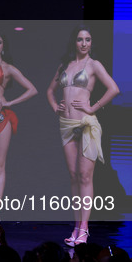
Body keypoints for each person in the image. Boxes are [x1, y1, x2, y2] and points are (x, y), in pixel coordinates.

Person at [46, 25, 119, 246]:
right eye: (80, 39)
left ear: (91, 43)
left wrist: (92, 107)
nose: (84, 43)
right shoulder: (65, 65)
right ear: (74, 42)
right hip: (66, 123)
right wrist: (54, 106)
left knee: (86, 177)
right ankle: (76, 226)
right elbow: (50, 91)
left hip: (86, 123)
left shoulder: (94, 65)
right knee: (74, 176)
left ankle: (84, 229)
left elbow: (113, 88)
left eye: (88, 39)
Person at [0, 31, 37, 233]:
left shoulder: (8, 68)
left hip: (1, 118)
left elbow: (32, 89)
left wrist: (10, 102)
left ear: (3, 46)